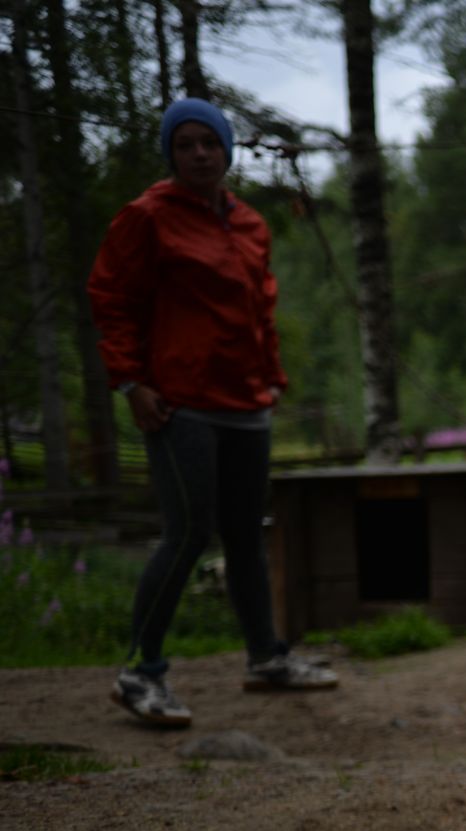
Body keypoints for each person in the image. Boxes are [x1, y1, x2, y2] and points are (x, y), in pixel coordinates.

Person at [89, 97, 337, 729]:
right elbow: (111, 298)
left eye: (209, 143)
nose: (199, 153)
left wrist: (273, 380)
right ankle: (140, 673)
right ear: (171, 154)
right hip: (181, 406)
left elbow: (261, 309)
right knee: (187, 535)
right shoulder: (147, 218)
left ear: (227, 149)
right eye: (185, 144)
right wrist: (130, 383)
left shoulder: (251, 224)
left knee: (248, 537)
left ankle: (266, 659)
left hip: (246, 404)